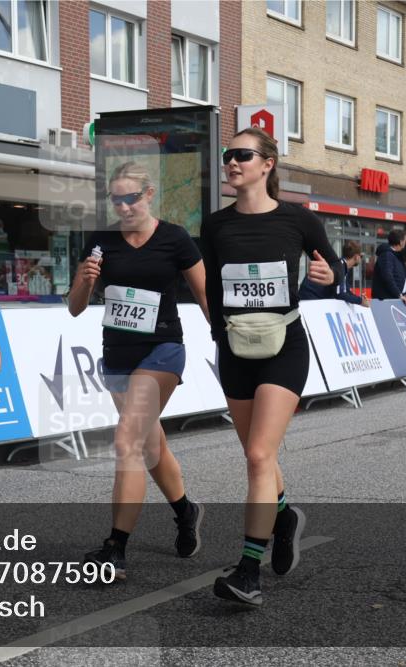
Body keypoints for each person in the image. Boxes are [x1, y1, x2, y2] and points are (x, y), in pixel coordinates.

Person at [201, 128, 338, 606]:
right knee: (257, 458)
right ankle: (284, 519)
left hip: (286, 347)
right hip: (235, 349)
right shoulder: (216, 226)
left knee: (260, 456)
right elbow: (214, 294)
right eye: (228, 155)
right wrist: (221, 339)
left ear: (267, 164)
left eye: (243, 155)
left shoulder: (298, 221)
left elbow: (333, 269)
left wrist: (327, 276)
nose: (233, 162)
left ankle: (247, 571)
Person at [69, 161, 210, 582]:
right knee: (150, 447)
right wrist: (84, 280)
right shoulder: (101, 241)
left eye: (132, 197)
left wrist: (230, 337)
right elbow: (75, 307)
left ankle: (115, 548)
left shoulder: (175, 239)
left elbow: (205, 294)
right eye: (117, 199)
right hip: (117, 356)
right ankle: (186, 511)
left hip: (163, 351)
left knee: (127, 438)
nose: (125, 206)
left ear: (149, 195)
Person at [298, 239, 369, 306]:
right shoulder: (340, 267)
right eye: (361, 256)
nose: (361, 259)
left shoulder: (341, 265)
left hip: (311, 298)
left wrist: (360, 299)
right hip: (309, 301)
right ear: (356, 257)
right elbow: (340, 294)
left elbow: (346, 291)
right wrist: (360, 301)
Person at [371, 229, 406, 305]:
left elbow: (403, 278)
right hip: (386, 302)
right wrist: (398, 294)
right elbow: (387, 276)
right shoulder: (386, 255)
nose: (405, 244)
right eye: (405, 241)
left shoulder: (396, 256)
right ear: (401, 242)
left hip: (396, 300)